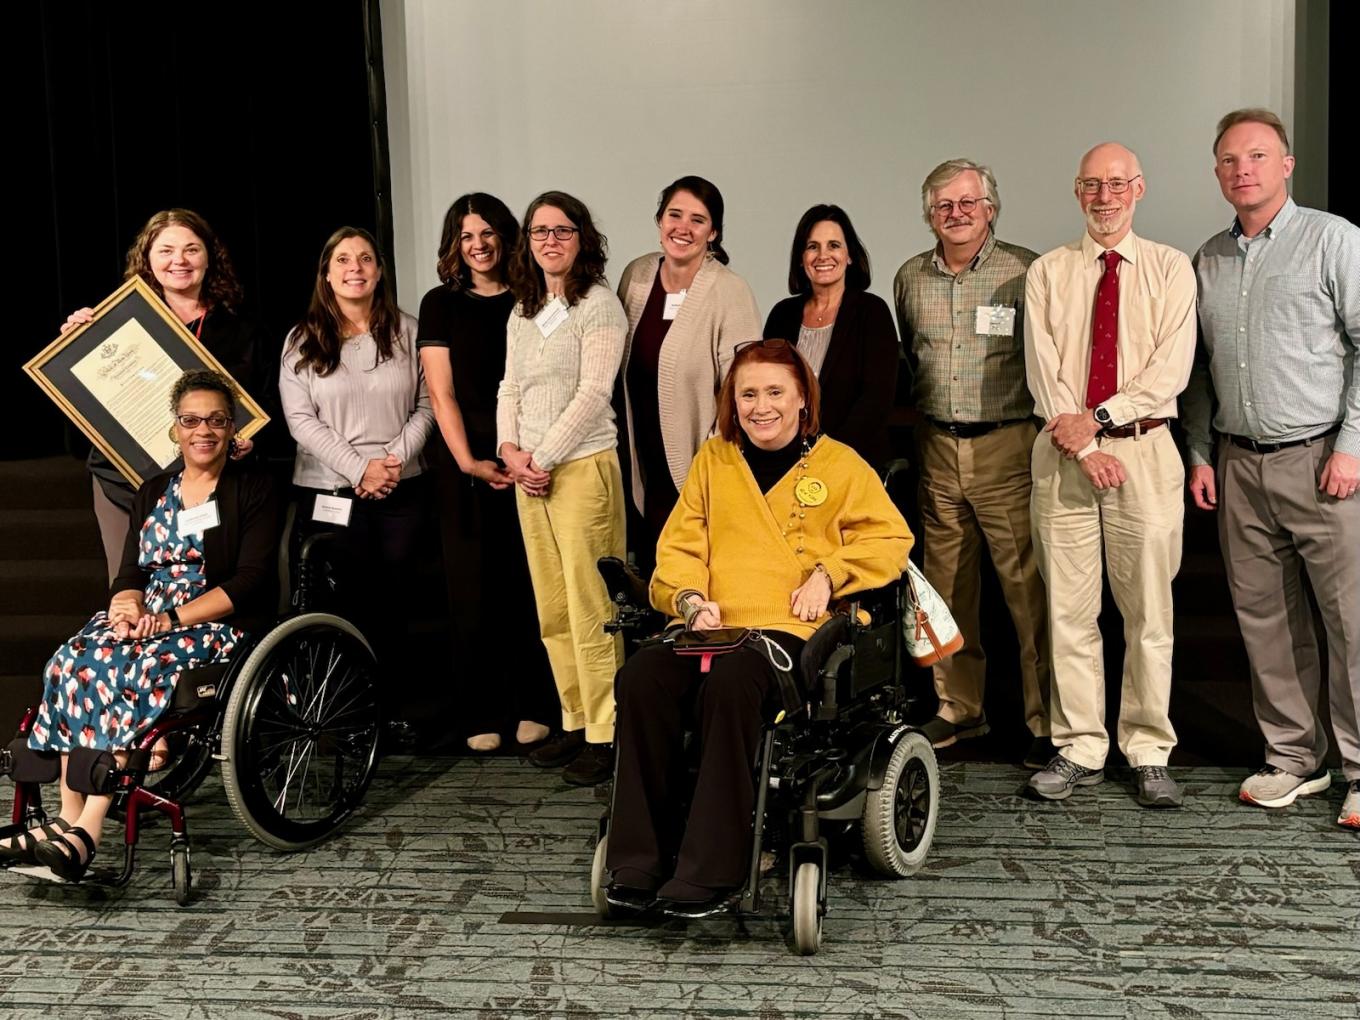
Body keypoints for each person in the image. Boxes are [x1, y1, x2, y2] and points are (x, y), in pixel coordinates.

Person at [604, 339, 912, 914]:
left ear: (802, 399)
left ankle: (713, 866)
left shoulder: (840, 464)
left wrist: (830, 571)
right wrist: (691, 598)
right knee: (641, 676)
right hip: (709, 626)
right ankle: (637, 858)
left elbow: (891, 540)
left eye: (775, 392)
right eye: (748, 393)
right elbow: (679, 548)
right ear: (732, 400)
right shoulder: (714, 459)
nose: (760, 405)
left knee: (733, 682)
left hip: (789, 633)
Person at [0, 371, 277, 881]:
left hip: (212, 619)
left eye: (216, 420)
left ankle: (90, 828)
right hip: (148, 614)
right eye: (191, 420)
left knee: (136, 665)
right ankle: (64, 817)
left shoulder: (252, 490)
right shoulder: (153, 491)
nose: (204, 431)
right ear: (175, 429)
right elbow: (130, 572)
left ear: (232, 427)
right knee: (72, 659)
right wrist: (126, 606)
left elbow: (251, 581)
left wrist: (166, 620)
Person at [1182, 108, 1360, 830]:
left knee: (1349, 622)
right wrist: (1199, 451)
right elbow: (1197, 372)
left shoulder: (1333, 240)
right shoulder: (1208, 258)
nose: (1242, 169)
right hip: (1238, 465)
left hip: (1322, 461)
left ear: (1285, 165)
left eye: (1256, 156)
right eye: (1228, 159)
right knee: (1266, 620)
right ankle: (1292, 757)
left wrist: (1353, 443)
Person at [1023, 143, 1196, 808]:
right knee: (1069, 614)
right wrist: (1081, 439)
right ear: (1076, 192)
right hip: (1062, 455)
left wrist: (1098, 419)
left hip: (1144, 453)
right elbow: (1044, 370)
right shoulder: (1048, 272)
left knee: (1149, 612)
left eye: (1117, 183)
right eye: (1092, 185)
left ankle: (1149, 749)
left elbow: (1169, 372)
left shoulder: (1171, 270)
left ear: (1139, 189)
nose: (1105, 196)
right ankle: (1079, 747)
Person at [892, 161, 1052, 767]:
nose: (956, 214)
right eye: (943, 206)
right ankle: (960, 710)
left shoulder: (1025, 269)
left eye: (968, 202)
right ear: (929, 214)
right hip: (936, 445)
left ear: (991, 207)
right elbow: (911, 356)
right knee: (945, 587)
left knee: (1025, 590)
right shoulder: (911, 277)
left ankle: (1044, 718)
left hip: (1007, 444)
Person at [60, 209, 278, 583]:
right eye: (166, 251)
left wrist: (250, 440)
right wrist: (77, 347)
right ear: (147, 258)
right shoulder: (113, 325)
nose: (179, 260)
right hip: (124, 480)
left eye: (192, 249)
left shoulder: (243, 332)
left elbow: (267, 405)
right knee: (129, 589)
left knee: (201, 588)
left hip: (213, 484)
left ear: (210, 257)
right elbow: (86, 407)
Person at [416, 193, 556, 754]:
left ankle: (537, 704)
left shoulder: (534, 296)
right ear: (456, 243)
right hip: (464, 461)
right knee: (472, 590)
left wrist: (526, 455)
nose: (479, 245)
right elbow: (440, 393)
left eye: (488, 233)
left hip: (532, 455)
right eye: (467, 235)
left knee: (530, 584)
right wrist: (470, 462)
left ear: (506, 236)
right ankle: (481, 711)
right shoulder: (439, 303)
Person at [497, 191, 628, 786]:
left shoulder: (599, 306)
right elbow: (508, 389)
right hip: (532, 474)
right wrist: (510, 452)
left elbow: (595, 392)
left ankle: (608, 732)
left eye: (563, 230)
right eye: (540, 231)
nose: (551, 241)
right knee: (553, 608)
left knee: (591, 607)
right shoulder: (523, 310)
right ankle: (573, 720)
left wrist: (542, 457)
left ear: (583, 238)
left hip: (581, 469)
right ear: (528, 240)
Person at [279, 227, 434, 706]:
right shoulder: (301, 340)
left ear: (380, 271)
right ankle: (347, 709)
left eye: (366, 259)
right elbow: (301, 421)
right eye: (343, 260)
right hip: (329, 489)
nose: (355, 269)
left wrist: (390, 462)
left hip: (399, 486)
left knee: (397, 598)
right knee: (345, 597)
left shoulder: (409, 332)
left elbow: (428, 406)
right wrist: (357, 469)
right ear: (326, 274)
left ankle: (396, 706)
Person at [616, 176, 761, 569]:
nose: (683, 227)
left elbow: (743, 389)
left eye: (698, 220)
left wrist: (711, 464)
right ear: (659, 219)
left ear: (713, 232)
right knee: (650, 570)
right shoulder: (636, 276)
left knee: (691, 572)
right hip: (640, 456)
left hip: (700, 464)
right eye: (674, 215)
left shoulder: (730, 291)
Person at [764, 203, 898, 467]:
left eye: (834, 245)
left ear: (849, 255)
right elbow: (767, 389)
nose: (823, 255)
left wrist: (825, 458)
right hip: (784, 459)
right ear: (801, 258)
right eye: (812, 246)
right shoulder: (782, 314)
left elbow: (876, 402)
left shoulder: (872, 312)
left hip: (850, 462)